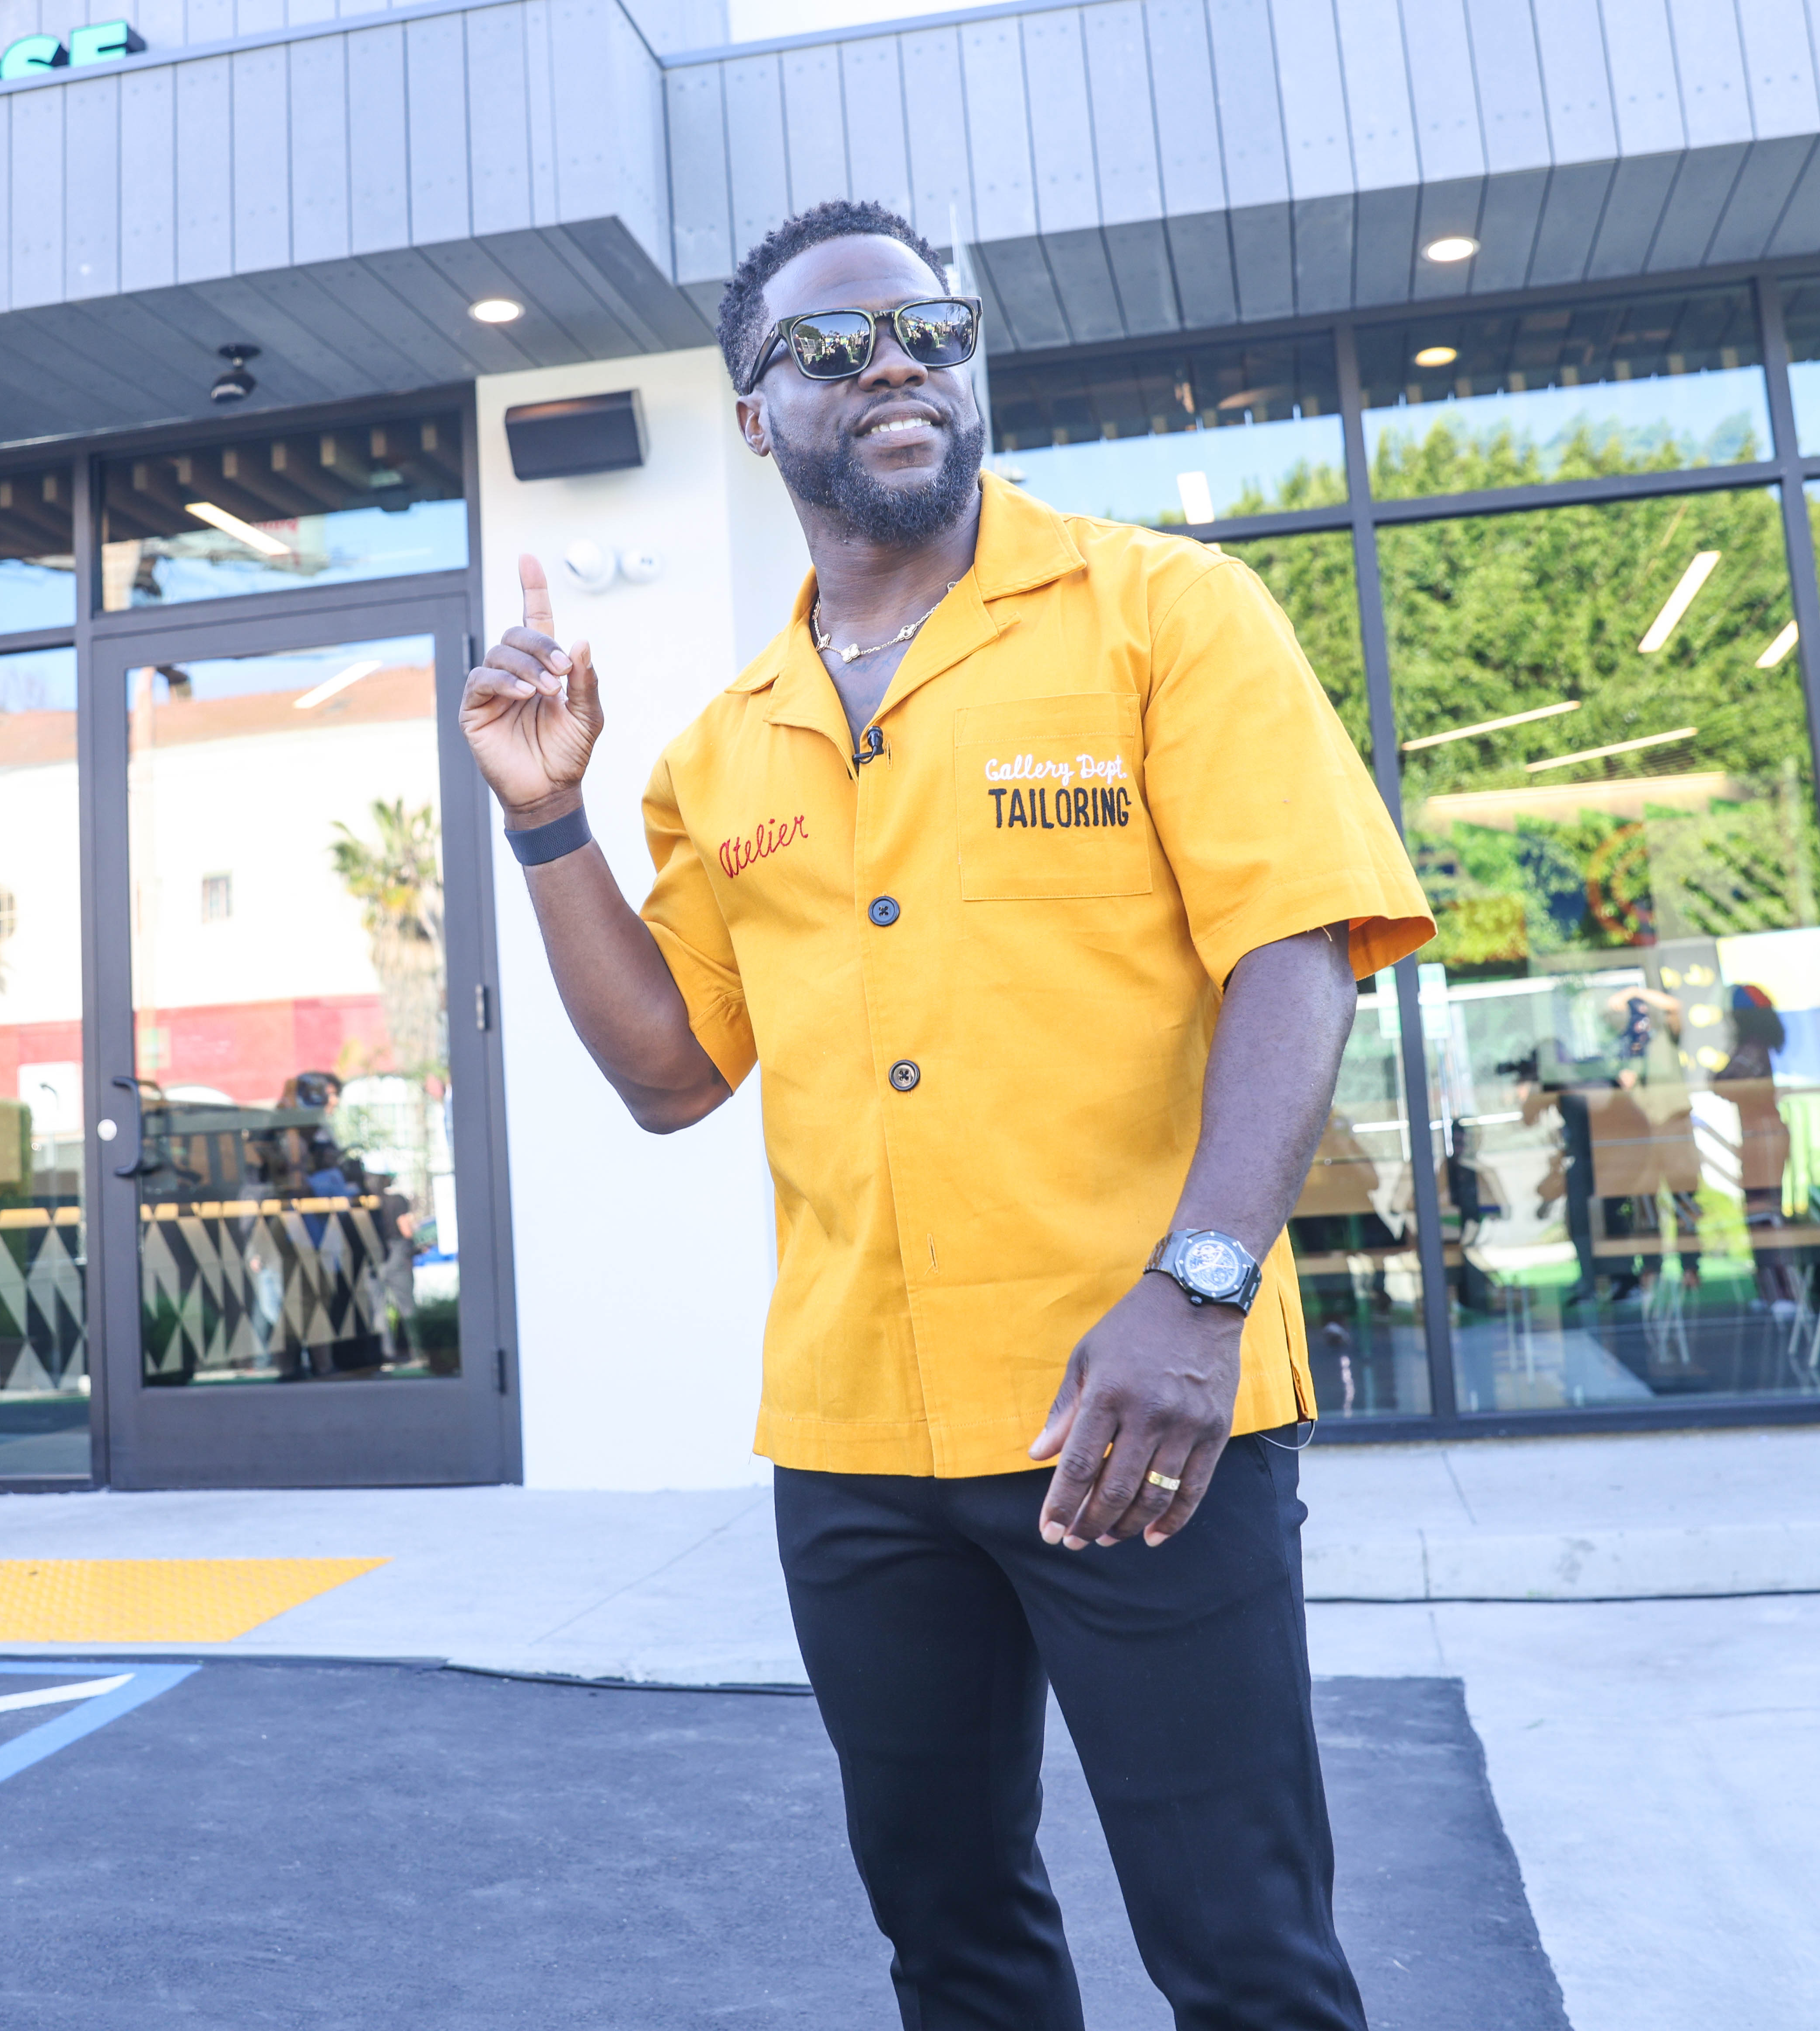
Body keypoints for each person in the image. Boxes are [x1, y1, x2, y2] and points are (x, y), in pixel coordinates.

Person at [459, 200, 1434, 2029]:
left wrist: (1199, 1289)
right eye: (829, 345)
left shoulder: (1164, 615)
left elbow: (1301, 953)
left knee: (1243, 1952)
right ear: (755, 414)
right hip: (856, 1442)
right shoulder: (724, 744)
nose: (892, 360)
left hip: (1141, 1405)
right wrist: (545, 817)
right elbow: (670, 1072)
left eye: (927, 325)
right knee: (954, 1941)